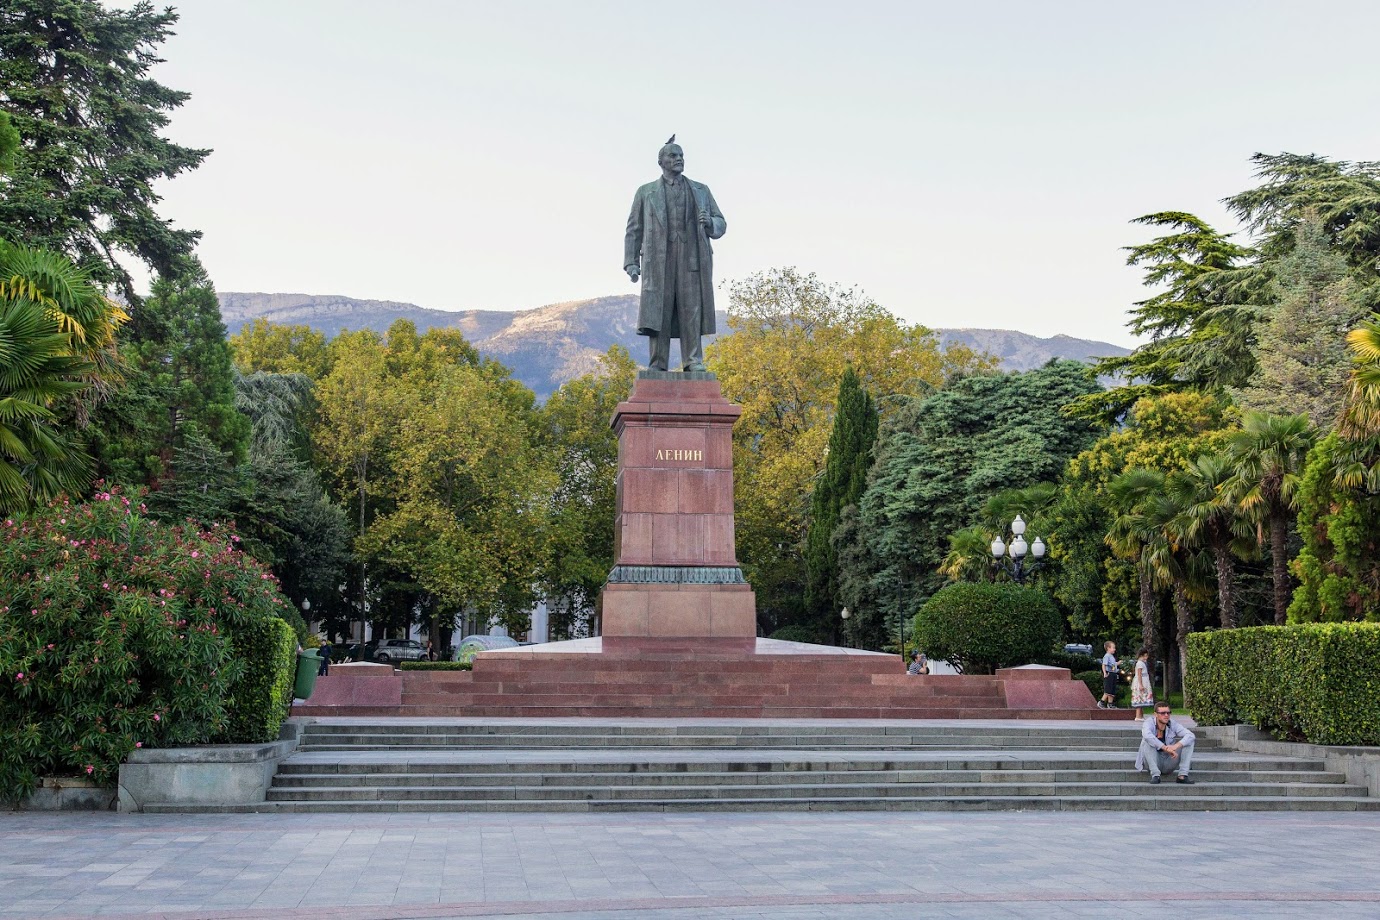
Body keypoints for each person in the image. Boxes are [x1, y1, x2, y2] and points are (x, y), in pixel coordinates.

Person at [624, 136, 727, 372]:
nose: (679, 159)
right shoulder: (645, 192)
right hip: (657, 260)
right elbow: (633, 228)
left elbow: (721, 222)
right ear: (661, 161)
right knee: (658, 309)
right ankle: (658, 364)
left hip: (692, 259)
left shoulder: (701, 190)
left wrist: (710, 222)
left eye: (681, 156)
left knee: (691, 309)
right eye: (673, 155)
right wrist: (631, 262)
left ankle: (693, 361)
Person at [1137, 700, 1196, 784]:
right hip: (1153, 762)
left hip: (1169, 761)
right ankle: (1155, 775)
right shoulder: (1149, 723)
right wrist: (1165, 748)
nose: (1166, 715)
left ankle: (1182, 775)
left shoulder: (1172, 724)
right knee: (1146, 741)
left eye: (1168, 713)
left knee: (1189, 741)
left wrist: (1175, 746)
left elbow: (1190, 735)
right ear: (1155, 714)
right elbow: (1147, 735)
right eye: (1163, 713)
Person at [1130, 647, 1154, 718]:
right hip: (1141, 682)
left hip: (1144, 680)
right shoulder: (1140, 663)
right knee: (1139, 699)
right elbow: (1139, 674)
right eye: (1145, 656)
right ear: (1141, 655)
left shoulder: (1143, 663)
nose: (1146, 657)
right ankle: (1138, 716)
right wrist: (1140, 684)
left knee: (1142, 699)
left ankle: (1141, 716)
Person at [1098, 640, 1120, 709]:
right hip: (1109, 674)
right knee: (1108, 689)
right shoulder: (1107, 656)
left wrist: (1118, 663)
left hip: (1113, 673)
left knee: (1112, 690)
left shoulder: (1112, 657)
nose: (1114, 649)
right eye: (1113, 648)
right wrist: (1105, 673)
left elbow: (1113, 665)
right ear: (1108, 648)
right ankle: (1101, 702)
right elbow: (1104, 664)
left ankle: (1110, 703)